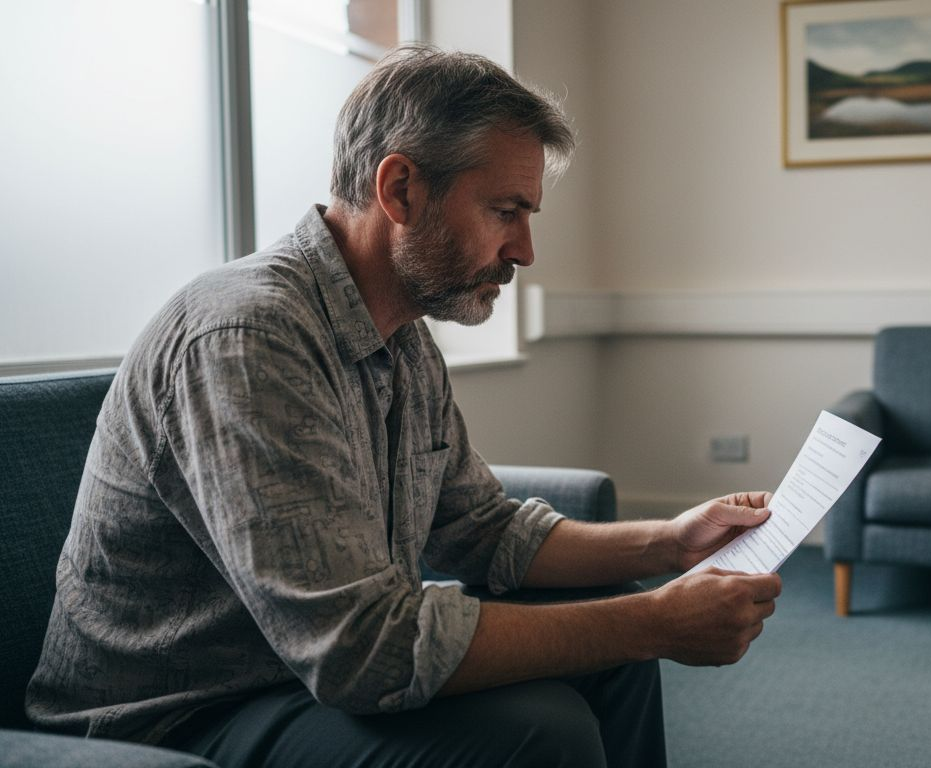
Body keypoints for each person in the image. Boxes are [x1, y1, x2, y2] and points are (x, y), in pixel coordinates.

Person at [25, 44, 781, 768]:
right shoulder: (248, 336)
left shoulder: (403, 332)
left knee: (614, 653)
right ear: (400, 190)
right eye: (505, 210)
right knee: (541, 732)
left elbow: (480, 531)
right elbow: (360, 649)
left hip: (297, 675)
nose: (524, 250)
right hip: (179, 716)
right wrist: (654, 621)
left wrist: (673, 545)